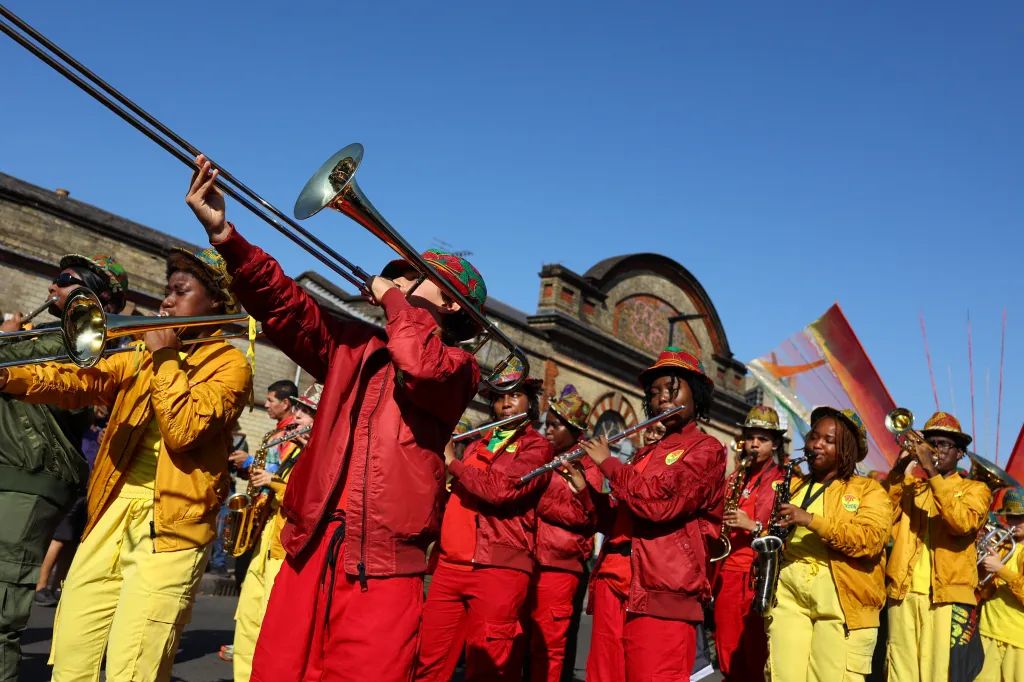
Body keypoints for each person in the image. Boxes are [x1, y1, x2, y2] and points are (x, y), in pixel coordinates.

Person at [186, 155, 485, 682]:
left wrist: (394, 299)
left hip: (384, 569)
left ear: (456, 305)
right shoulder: (356, 345)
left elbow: (418, 363)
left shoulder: (459, 369)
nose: (397, 282)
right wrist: (226, 237)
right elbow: (285, 307)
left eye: (416, 277)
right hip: (312, 548)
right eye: (398, 276)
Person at [0, 246, 252, 681]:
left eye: (180, 291)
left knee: (133, 665)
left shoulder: (232, 365)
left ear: (217, 304)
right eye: (166, 291)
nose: (167, 302)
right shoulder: (137, 348)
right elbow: (77, 380)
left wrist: (166, 357)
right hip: (110, 513)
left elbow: (185, 428)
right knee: (73, 652)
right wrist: (9, 376)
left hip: (171, 528)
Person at [0, 253, 128, 681]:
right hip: (12, 467)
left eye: (64, 280)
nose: (51, 287)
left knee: (2, 602)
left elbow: (41, 377)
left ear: (94, 294)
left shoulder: (85, 340)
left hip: (32, 474)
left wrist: (8, 340)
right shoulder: (46, 333)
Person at [581, 347, 726, 682]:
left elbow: (661, 503)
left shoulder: (706, 450)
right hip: (613, 581)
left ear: (696, 394)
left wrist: (609, 463)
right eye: (656, 392)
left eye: (672, 390)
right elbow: (615, 519)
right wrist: (583, 489)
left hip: (661, 588)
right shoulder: (646, 453)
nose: (662, 399)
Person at [415, 366, 554, 681]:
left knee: (488, 668)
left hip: (498, 568)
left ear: (531, 403)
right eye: (500, 398)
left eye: (515, 396)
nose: (506, 405)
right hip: (450, 565)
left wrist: (455, 464)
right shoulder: (479, 442)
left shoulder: (538, 447)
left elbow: (503, 490)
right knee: (428, 662)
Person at [765, 407, 891, 682]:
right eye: (814, 437)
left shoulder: (869, 490)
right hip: (788, 597)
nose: (817, 444)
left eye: (829, 440)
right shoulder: (796, 487)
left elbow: (870, 540)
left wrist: (810, 519)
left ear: (846, 449)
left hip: (841, 604)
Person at [884, 412, 991, 682]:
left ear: (959, 454)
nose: (934, 449)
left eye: (944, 444)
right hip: (903, 594)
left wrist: (931, 472)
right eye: (930, 442)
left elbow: (962, 523)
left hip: (946, 598)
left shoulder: (976, 490)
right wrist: (900, 469)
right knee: (899, 673)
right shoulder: (912, 487)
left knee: (940, 675)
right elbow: (882, 517)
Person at [233, 384, 320, 682]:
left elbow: (308, 501)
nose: (296, 417)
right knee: (247, 618)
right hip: (268, 539)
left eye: (306, 412)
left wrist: (273, 482)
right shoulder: (293, 447)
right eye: (298, 409)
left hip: (289, 549)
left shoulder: (322, 457)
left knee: (271, 626)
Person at [525, 386, 600, 682]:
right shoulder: (543, 455)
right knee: (525, 641)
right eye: (547, 424)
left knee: (549, 646)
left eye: (556, 426)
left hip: (560, 565)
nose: (548, 431)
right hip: (530, 559)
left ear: (574, 431)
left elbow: (585, 515)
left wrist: (538, 502)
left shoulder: (587, 464)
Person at [712, 405, 787, 681]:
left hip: (758, 579)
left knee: (756, 656)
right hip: (727, 574)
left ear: (775, 443)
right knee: (727, 651)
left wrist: (752, 526)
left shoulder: (783, 481)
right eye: (751, 438)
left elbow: (784, 535)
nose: (754, 444)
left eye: (763, 439)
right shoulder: (734, 477)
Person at [977, 487, 1024, 682]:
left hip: (1018, 640)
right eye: (1010, 517)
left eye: (1020, 517)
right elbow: (986, 592)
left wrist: (1001, 569)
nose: (1014, 523)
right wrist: (983, 567)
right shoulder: (1003, 546)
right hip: (987, 632)